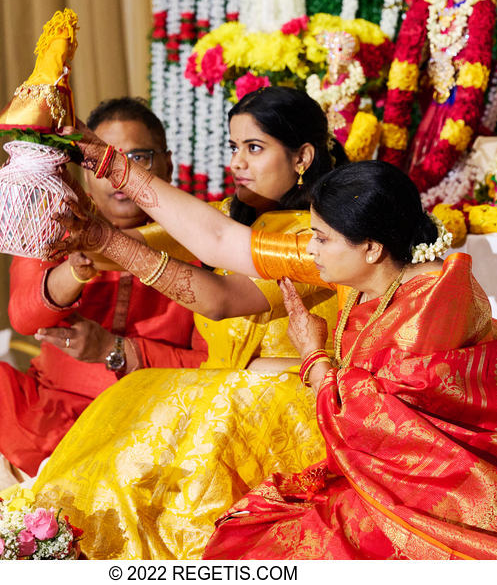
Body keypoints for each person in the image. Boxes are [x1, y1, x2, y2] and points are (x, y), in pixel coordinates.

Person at [56, 112, 497, 558]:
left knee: (255, 543)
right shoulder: (361, 262)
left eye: (317, 240)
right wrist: (102, 165)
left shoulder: (433, 299)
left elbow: (389, 422)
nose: (306, 251)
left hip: (461, 499)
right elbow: (216, 242)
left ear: (368, 245)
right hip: (376, 468)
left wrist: (313, 354)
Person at [26, 86, 345, 559]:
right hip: (225, 391)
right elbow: (131, 240)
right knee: (135, 409)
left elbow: (219, 299)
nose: (237, 162)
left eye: (254, 148)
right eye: (233, 148)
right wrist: (60, 211)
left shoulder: (320, 237)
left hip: (286, 399)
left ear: (302, 157)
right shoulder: (233, 221)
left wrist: (105, 169)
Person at [0, 97, 203, 515]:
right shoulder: (58, 220)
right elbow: (24, 316)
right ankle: (5, 513)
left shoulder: (201, 239)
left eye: (137, 157)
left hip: (143, 421)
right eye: (104, 162)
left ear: (166, 163)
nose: (119, 175)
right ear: (85, 171)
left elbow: (211, 368)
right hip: (44, 408)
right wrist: (76, 268)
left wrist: (116, 351)